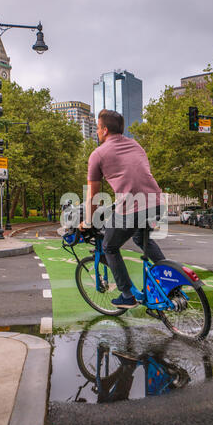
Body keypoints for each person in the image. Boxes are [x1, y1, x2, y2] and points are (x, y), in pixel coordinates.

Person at [79, 109, 165, 310]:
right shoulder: (136, 145)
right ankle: (170, 277)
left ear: (105, 130)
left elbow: (93, 196)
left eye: (98, 128)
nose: (97, 133)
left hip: (132, 207)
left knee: (109, 246)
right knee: (140, 238)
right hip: (157, 202)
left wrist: (88, 222)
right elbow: (136, 177)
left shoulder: (98, 154)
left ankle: (127, 295)